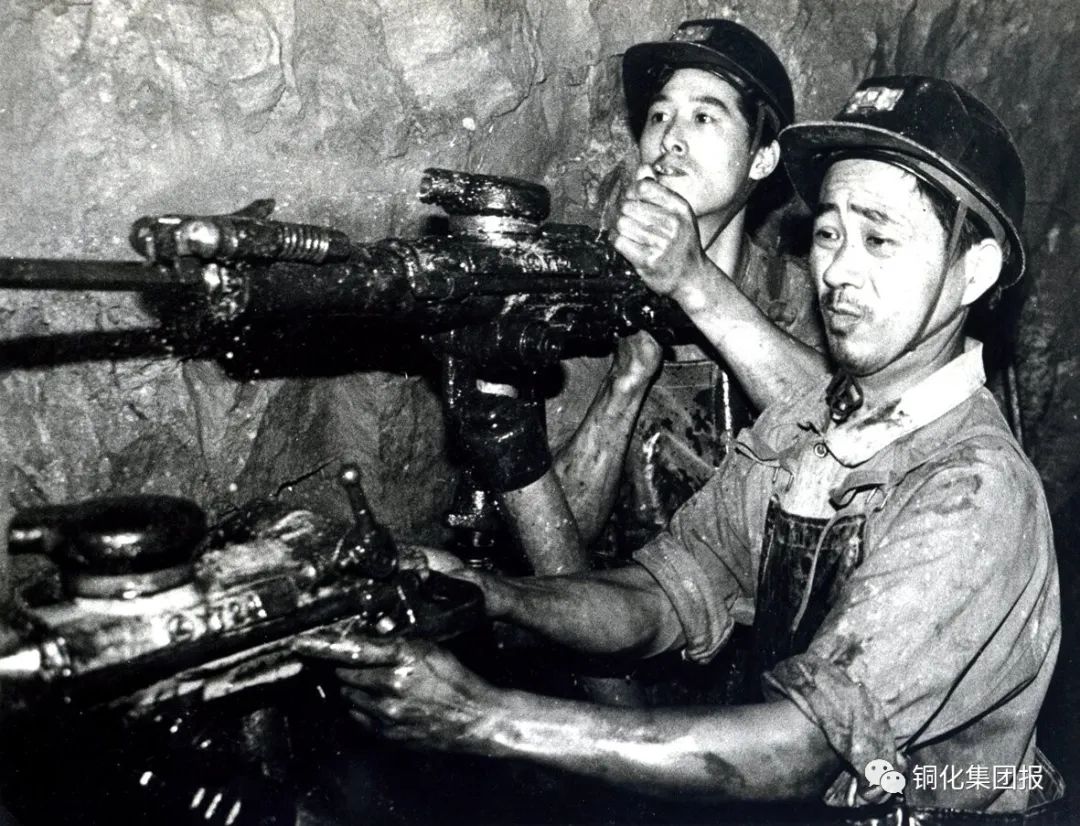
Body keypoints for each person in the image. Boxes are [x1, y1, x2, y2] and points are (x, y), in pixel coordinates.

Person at [300, 74, 1062, 821]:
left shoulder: (972, 490)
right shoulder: (808, 428)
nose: (838, 270)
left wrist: (486, 719)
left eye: (879, 239)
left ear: (975, 271)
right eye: (829, 233)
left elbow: (804, 747)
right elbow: (662, 594)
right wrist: (487, 592)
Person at [480, 19, 826, 580]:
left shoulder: (805, 298)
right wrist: (627, 380)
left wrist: (693, 279)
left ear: (762, 158)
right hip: (632, 614)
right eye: (659, 116)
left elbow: (848, 434)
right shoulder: (587, 300)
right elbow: (548, 560)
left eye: (704, 117)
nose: (671, 139)